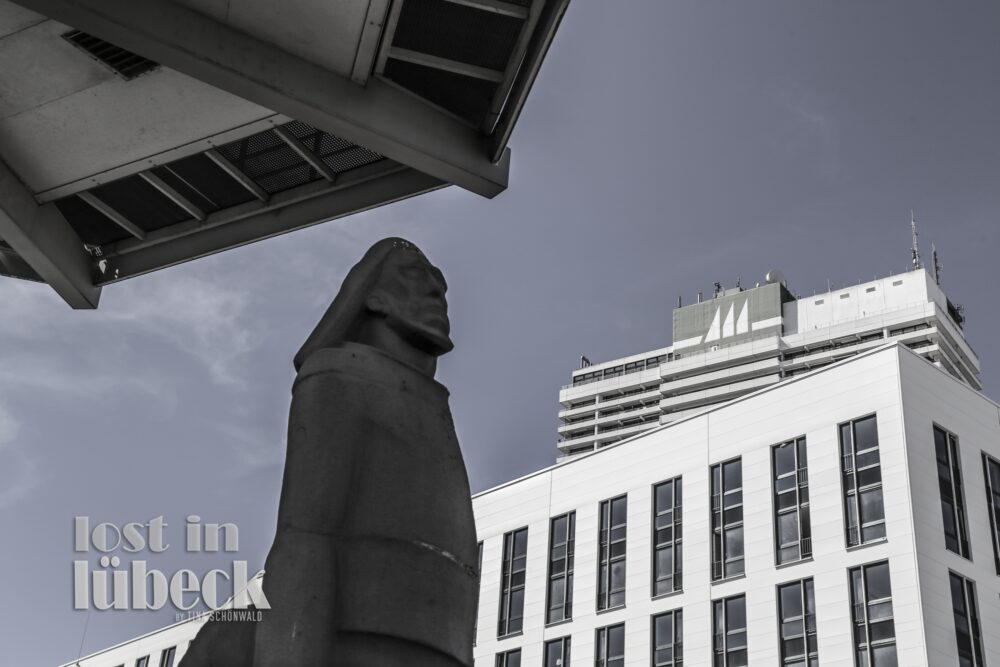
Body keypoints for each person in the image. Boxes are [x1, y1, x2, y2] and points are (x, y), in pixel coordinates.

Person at [181, 238, 478, 667]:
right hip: (356, 639)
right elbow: (306, 537)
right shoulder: (338, 376)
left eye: (441, 284)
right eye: (416, 276)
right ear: (373, 298)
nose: (437, 293)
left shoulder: (433, 408)